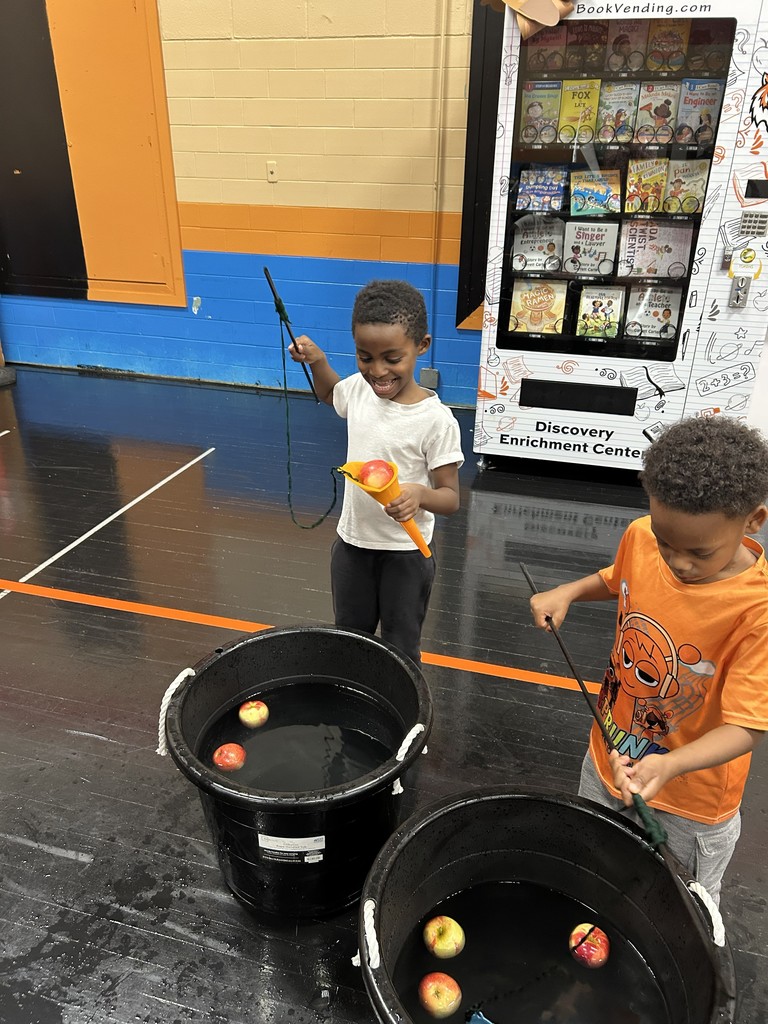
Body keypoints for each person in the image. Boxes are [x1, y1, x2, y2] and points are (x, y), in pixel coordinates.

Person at [530, 416, 768, 903]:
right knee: (591, 876)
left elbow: (749, 726)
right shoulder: (642, 536)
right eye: (666, 542)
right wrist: (569, 591)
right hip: (607, 760)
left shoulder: (757, 611)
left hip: (687, 803)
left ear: (753, 521)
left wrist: (673, 764)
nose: (677, 561)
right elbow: (620, 577)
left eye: (699, 552)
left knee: (677, 908)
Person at [289, 279, 464, 665]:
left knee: (401, 648)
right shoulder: (359, 391)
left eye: (392, 358)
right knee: (351, 639)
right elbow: (330, 393)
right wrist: (318, 361)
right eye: (365, 357)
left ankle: (404, 715)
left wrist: (420, 494)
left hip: (405, 555)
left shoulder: (436, 421)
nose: (378, 371)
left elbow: (450, 497)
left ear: (421, 346)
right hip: (352, 547)